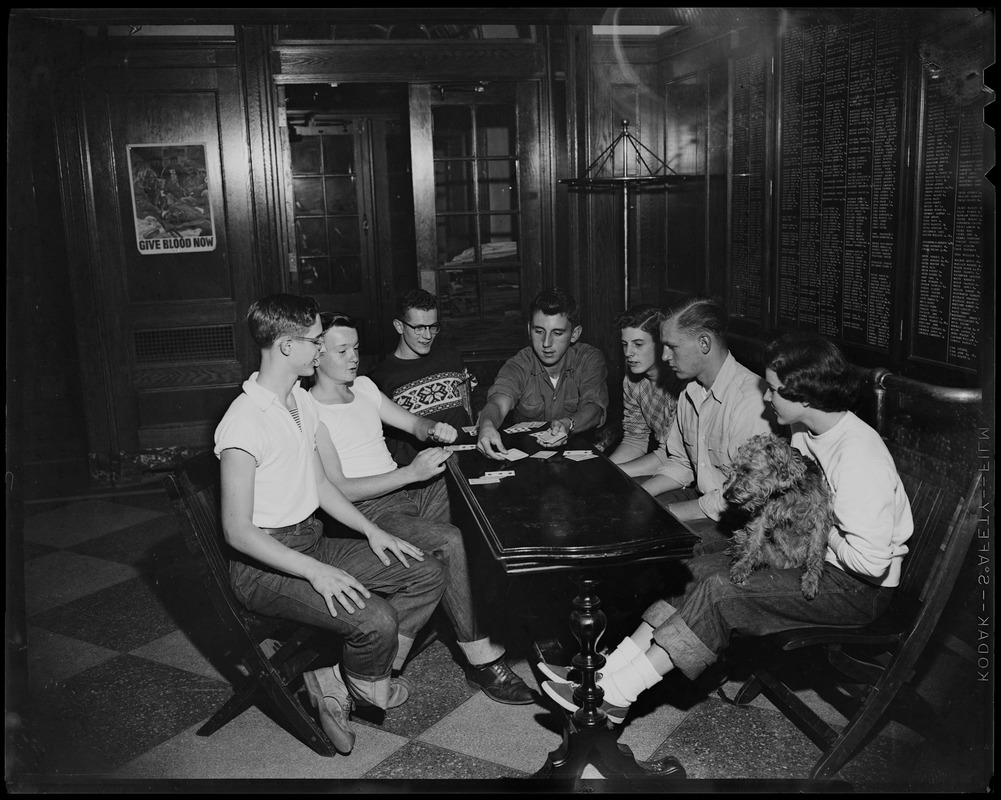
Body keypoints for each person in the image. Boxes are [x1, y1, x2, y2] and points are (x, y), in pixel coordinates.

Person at [539, 332, 915, 723]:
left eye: (772, 390)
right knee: (694, 571)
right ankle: (602, 674)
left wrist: (816, 524)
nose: (766, 398)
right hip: (809, 555)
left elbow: (872, 564)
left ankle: (616, 694)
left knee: (718, 591)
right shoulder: (806, 431)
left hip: (854, 589)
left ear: (803, 397)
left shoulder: (859, 459)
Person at [214, 294, 446, 756]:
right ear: (285, 347)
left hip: (310, 540)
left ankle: (336, 680)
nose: (321, 350)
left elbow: (320, 486)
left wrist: (372, 530)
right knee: (375, 620)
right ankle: (361, 685)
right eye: (315, 341)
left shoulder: (298, 401)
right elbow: (237, 532)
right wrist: (315, 572)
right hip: (264, 566)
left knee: (425, 570)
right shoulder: (243, 424)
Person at [306, 311, 537, 705]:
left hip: (405, 494)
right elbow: (340, 489)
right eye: (342, 350)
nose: (353, 357)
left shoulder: (362, 387)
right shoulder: (311, 411)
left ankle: (525, 619)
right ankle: (482, 658)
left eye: (356, 348)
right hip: (370, 511)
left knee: (478, 493)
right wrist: (410, 473)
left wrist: (433, 429)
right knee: (448, 540)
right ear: (316, 355)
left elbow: (411, 424)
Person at [639, 295, 777, 542]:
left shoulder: (752, 400)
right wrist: (638, 493)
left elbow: (745, 494)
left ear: (704, 343)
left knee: (655, 537)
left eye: (672, 347)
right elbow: (681, 463)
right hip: (704, 499)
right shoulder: (689, 391)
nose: (664, 357)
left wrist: (670, 513)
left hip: (742, 518)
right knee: (632, 514)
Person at [477, 287, 609, 460]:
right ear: (528, 330)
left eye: (557, 333)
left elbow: (594, 408)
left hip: (576, 461)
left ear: (575, 334)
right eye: (539, 331)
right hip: (528, 463)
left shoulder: (589, 359)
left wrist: (568, 424)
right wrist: (486, 425)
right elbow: (498, 403)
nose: (546, 343)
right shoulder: (519, 364)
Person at [369, 289, 475, 466]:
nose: (427, 336)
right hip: (422, 475)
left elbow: (470, 406)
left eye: (433, 327)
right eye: (418, 328)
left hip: (465, 462)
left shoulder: (451, 357)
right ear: (399, 326)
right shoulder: (381, 378)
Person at [607, 304, 681, 478]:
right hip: (662, 461)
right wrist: (604, 468)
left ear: (661, 344)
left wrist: (611, 473)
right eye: (625, 344)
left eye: (638, 344)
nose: (628, 353)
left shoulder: (680, 385)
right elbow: (635, 439)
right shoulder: (632, 381)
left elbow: (671, 456)